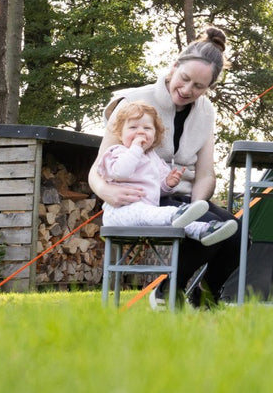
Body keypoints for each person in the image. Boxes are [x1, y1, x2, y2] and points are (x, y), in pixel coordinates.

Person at [89, 27, 239, 306]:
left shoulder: (207, 113)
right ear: (174, 66)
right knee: (212, 227)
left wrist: (197, 207)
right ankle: (168, 292)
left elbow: (206, 173)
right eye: (184, 79)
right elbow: (99, 166)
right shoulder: (134, 101)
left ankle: (205, 297)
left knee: (238, 233)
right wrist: (106, 192)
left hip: (180, 196)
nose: (187, 90)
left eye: (199, 86)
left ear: (209, 88)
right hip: (143, 197)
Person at [98, 101, 238, 246]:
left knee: (177, 222)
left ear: (155, 135)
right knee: (165, 214)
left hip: (148, 214)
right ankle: (179, 213)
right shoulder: (118, 152)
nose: (140, 132)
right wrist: (135, 149)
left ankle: (204, 230)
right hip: (121, 213)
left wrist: (167, 184)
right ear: (120, 134)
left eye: (147, 128)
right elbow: (121, 173)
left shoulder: (153, 159)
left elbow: (154, 190)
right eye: (133, 127)